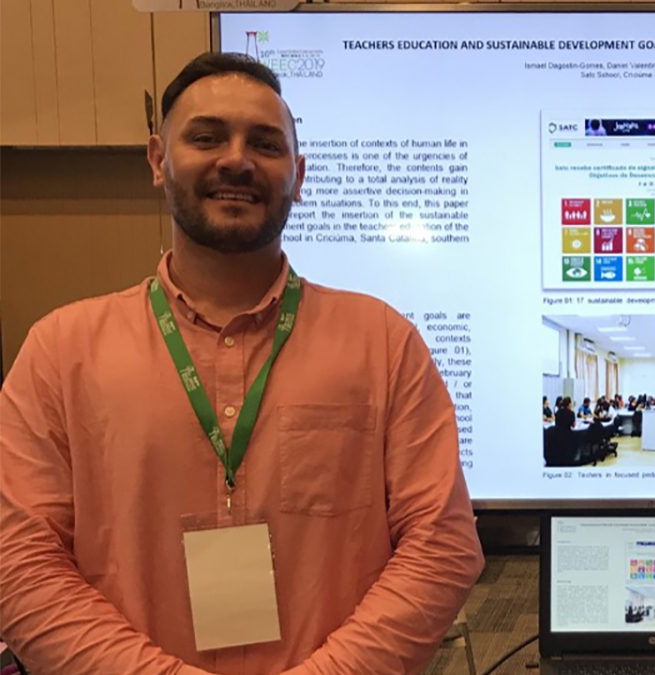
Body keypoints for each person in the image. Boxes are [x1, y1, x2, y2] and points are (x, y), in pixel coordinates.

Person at [0, 53, 485, 675]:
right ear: (157, 160)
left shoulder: (385, 344)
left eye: (265, 143)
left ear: (298, 175)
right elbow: (19, 561)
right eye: (206, 137)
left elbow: (441, 544)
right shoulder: (60, 352)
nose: (236, 160)